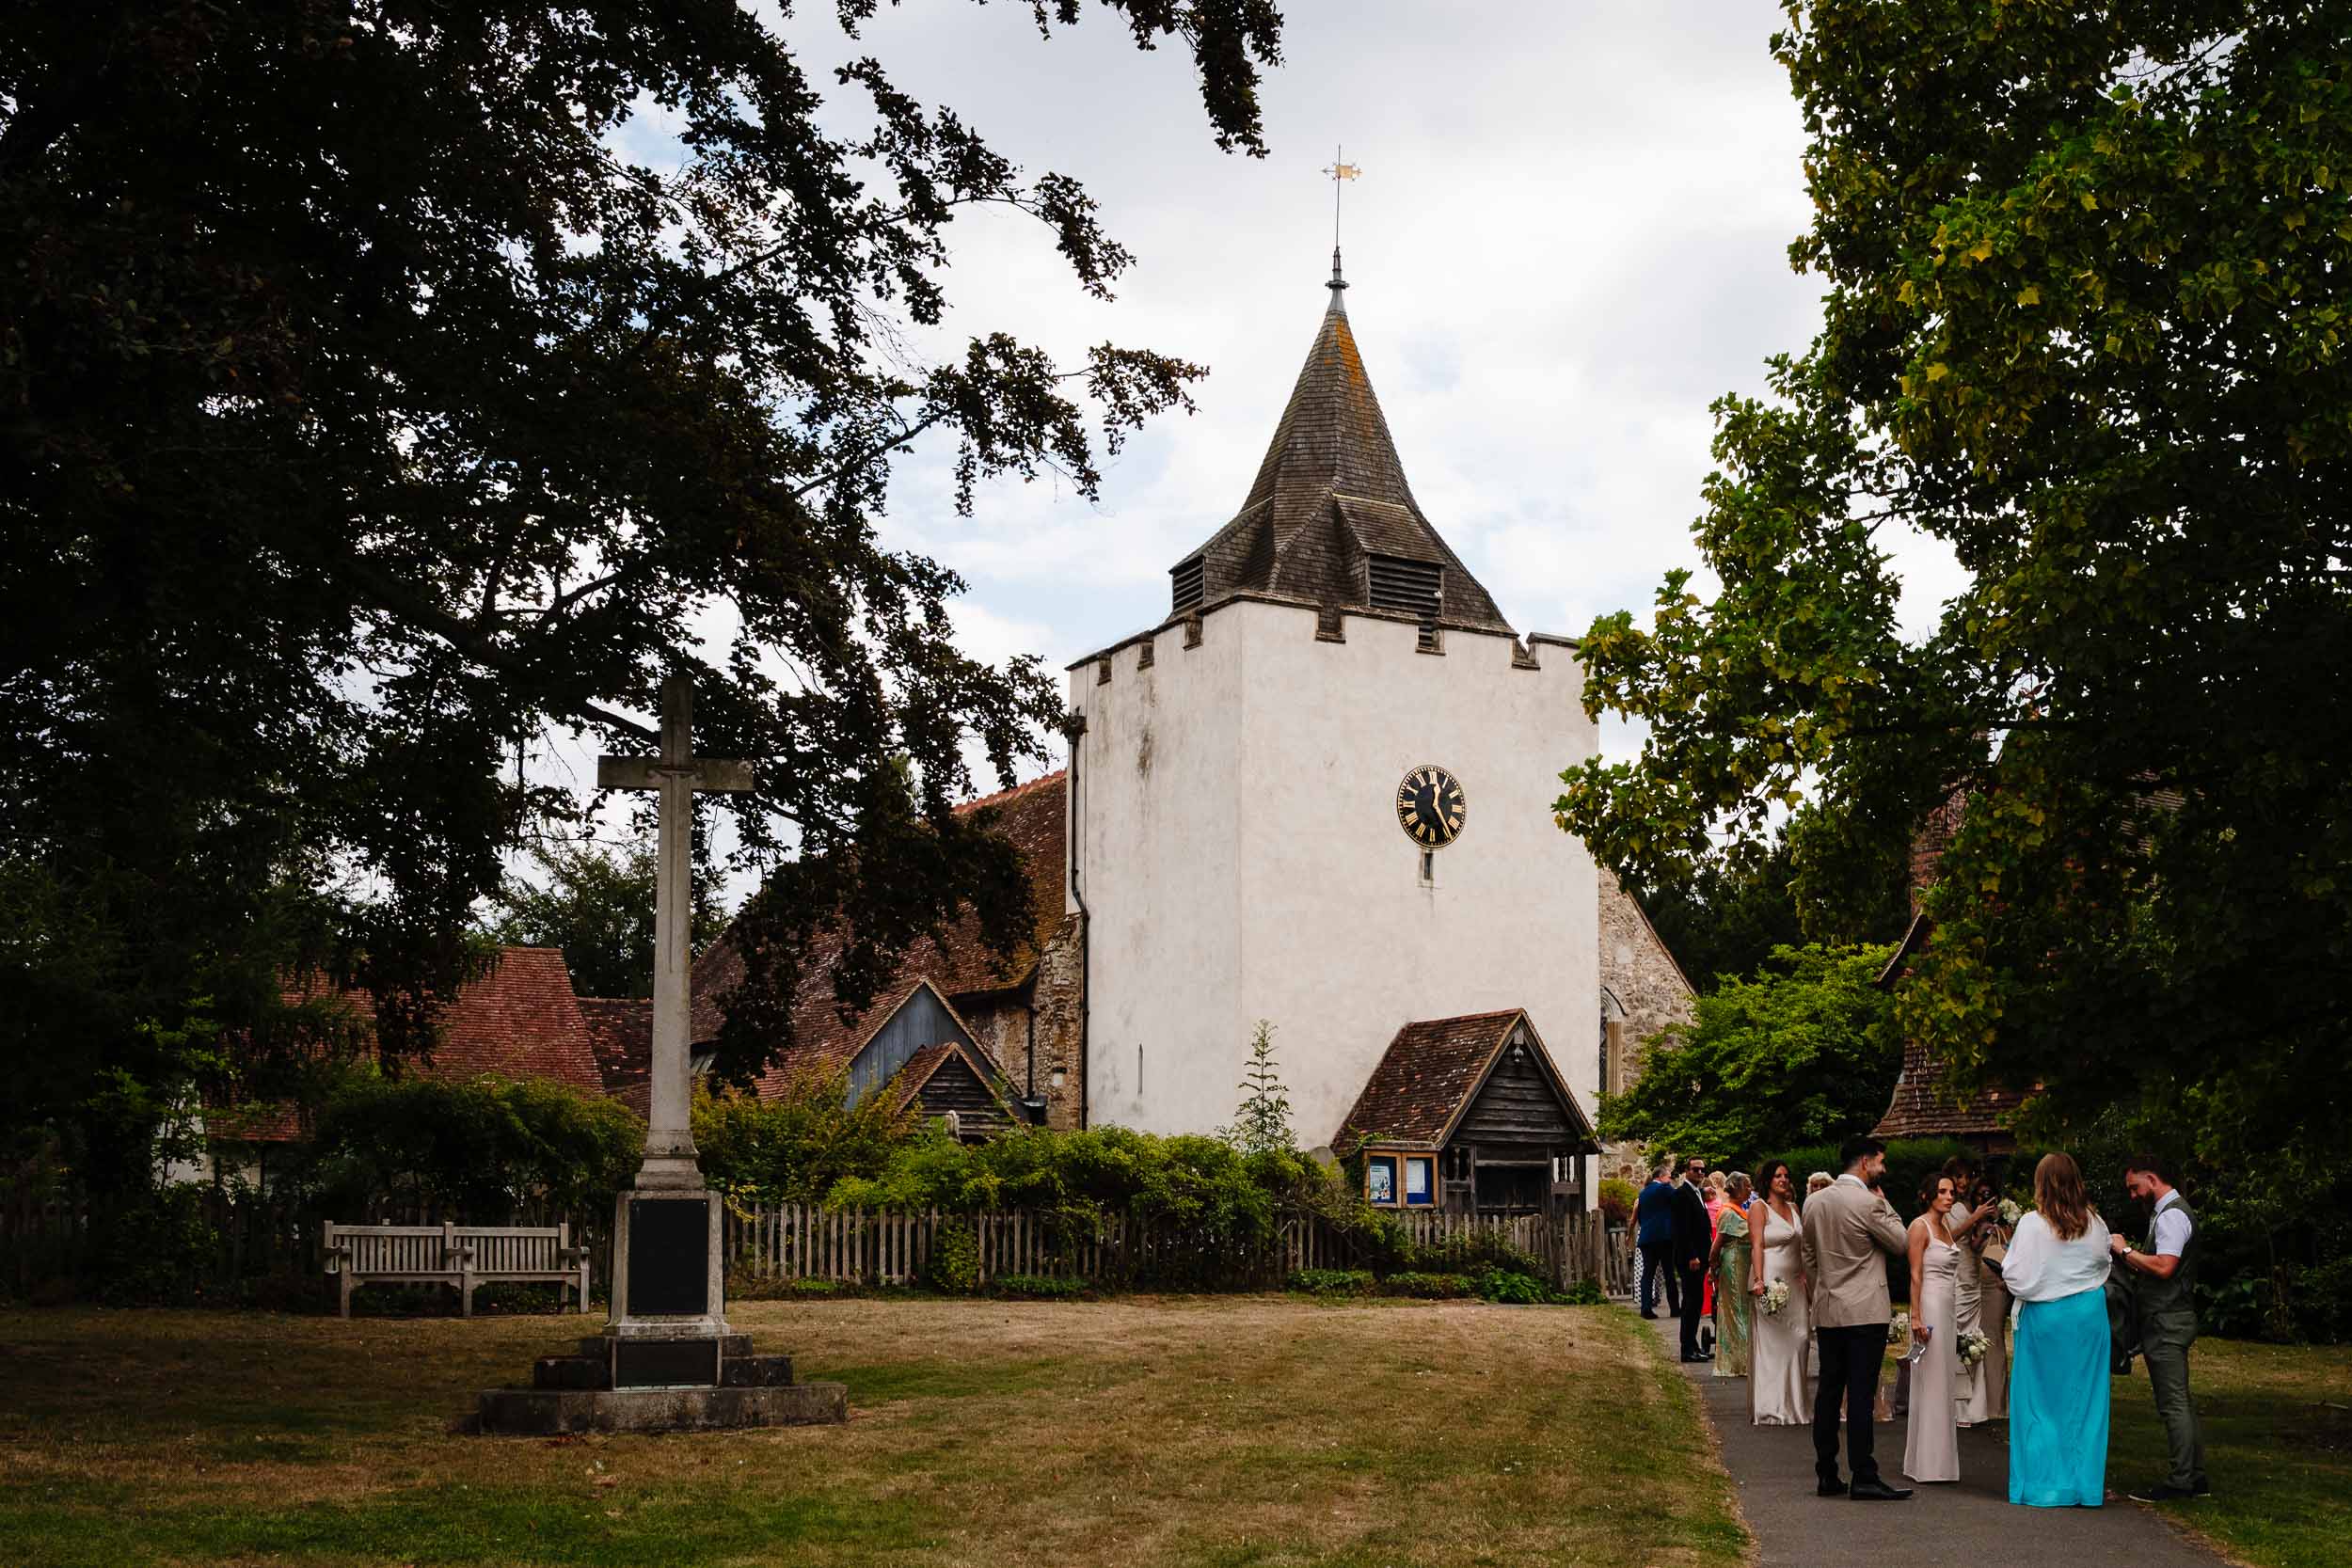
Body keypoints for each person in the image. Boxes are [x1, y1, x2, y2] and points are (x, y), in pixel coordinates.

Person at [1803, 1135, 1915, 1501]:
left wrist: (1823, 1292)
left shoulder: (1814, 1202)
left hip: (1829, 1308)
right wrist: (1888, 1205)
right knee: (1862, 1394)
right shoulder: (1870, 1204)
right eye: (1881, 1162)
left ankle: (1826, 1473)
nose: (1884, 1169)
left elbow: (1809, 1258)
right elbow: (1901, 1243)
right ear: (1865, 1162)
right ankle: (1864, 1474)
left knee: (1829, 1393)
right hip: (1865, 1311)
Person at [2002, 1151, 2114, 1508]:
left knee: (2040, 1402)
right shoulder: (2095, 1222)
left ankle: (2043, 1486)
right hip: (2088, 1318)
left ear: (2041, 1183)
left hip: (2048, 1319)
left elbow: (2015, 1275)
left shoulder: (2032, 1224)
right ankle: (2084, 1486)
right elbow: (2104, 1261)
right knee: (2086, 1401)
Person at [2112, 1154, 2208, 1501]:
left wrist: (2124, 1252)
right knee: (2180, 1400)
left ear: (2152, 1179)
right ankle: (2195, 1477)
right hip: (2171, 1317)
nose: (2133, 1195)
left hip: (2167, 1322)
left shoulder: (2172, 1215)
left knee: (2173, 1404)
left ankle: (2181, 1481)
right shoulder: (2169, 1213)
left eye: (2134, 1187)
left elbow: (2165, 1266)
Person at [1903, 1173, 1963, 1483]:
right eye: (1942, 1191)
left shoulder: (1947, 1227)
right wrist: (1915, 1317)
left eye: (1952, 1192)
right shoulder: (1919, 1226)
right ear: (1928, 1195)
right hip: (1930, 1306)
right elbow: (1915, 1275)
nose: (1949, 1197)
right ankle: (1926, 1463)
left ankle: (1941, 1461)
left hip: (1949, 1307)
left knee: (1944, 1381)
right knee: (1931, 1381)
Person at [1748, 1159, 1811, 1425]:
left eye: (1786, 1175)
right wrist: (1759, 1279)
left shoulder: (1795, 1207)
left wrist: (1806, 1274)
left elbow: (1802, 1246)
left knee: (1801, 1338)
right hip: (1771, 1280)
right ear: (1768, 1181)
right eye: (1777, 1176)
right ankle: (1770, 1407)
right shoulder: (1758, 1208)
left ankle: (1796, 1405)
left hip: (1795, 1283)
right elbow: (1757, 1245)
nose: (1783, 1180)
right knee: (1773, 1344)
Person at [1951, 1161, 2011, 1424]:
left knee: (1986, 1340)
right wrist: (1978, 1220)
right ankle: (1963, 1405)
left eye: (1967, 1177)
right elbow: (1958, 1241)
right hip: (1962, 1277)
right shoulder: (1957, 1210)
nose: (1963, 1182)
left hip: (1980, 1281)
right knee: (1964, 1340)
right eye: (1958, 1177)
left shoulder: (1995, 1217)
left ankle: (1990, 1403)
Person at [1670, 1153, 1715, 1363]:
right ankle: (1687, 1348)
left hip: (1701, 1256)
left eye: (1702, 1170)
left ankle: (1693, 1344)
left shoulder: (1697, 1193)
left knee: (1696, 1303)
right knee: (1690, 1303)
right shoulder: (1682, 1194)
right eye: (1695, 1169)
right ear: (1687, 1171)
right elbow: (1682, 1229)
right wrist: (1692, 1255)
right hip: (1691, 1259)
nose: (1699, 1173)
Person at [1711, 1172, 1755, 1379]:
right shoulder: (1728, 1212)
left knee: (1743, 1310)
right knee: (1737, 1310)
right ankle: (1739, 1362)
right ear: (1737, 1187)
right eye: (1747, 1185)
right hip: (1734, 1261)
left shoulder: (1740, 1210)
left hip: (1744, 1262)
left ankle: (1743, 1359)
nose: (1750, 1189)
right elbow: (1717, 1245)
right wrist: (1713, 1268)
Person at [1635, 1160, 1679, 1321]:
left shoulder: (1643, 1193)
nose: (1670, 1180)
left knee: (1648, 1273)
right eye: (1669, 1177)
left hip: (1647, 1237)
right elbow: (1679, 1200)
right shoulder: (1665, 1188)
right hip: (1664, 1238)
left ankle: (1645, 1308)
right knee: (1669, 1273)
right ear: (1661, 1177)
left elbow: (1640, 1217)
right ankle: (1675, 1308)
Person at [1703, 1171, 1731, 1322]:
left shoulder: (1705, 1199)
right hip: (1719, 1232)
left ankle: (1707, 1305)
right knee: (1719, 1268)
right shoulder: (1722, 1197)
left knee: (1709, 1268)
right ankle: (1721, 1303)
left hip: (1709, 1233)